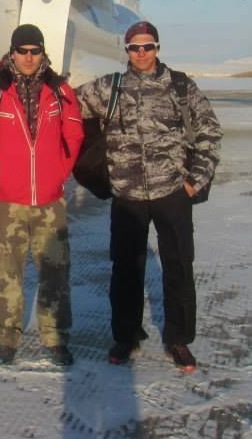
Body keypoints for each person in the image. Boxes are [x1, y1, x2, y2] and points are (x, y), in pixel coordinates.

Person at [75, 21, 221, 371]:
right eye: (134, 48)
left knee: (178, 268)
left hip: (172, 192)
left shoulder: (181, 87)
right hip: (127, 195)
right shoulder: (108, 88)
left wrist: (194, 182)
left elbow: (209, 133)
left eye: (148, 46)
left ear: (158, 48)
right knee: (126, 271)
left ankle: (178, 340)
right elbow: (63, 104)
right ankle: (125, 337)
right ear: (126, 51)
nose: (141, 53)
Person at [0, 24, 84, 366]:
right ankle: (7, 334)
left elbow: (74, 134)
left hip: (49, 200)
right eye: (22, 51)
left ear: (42, 53)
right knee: (8, 270)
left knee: (54, 270)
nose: (28, 57)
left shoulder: (60, 90)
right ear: (12, 53)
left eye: (34, 51)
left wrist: (57, 173)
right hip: (8, 200)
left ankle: (55, 335)